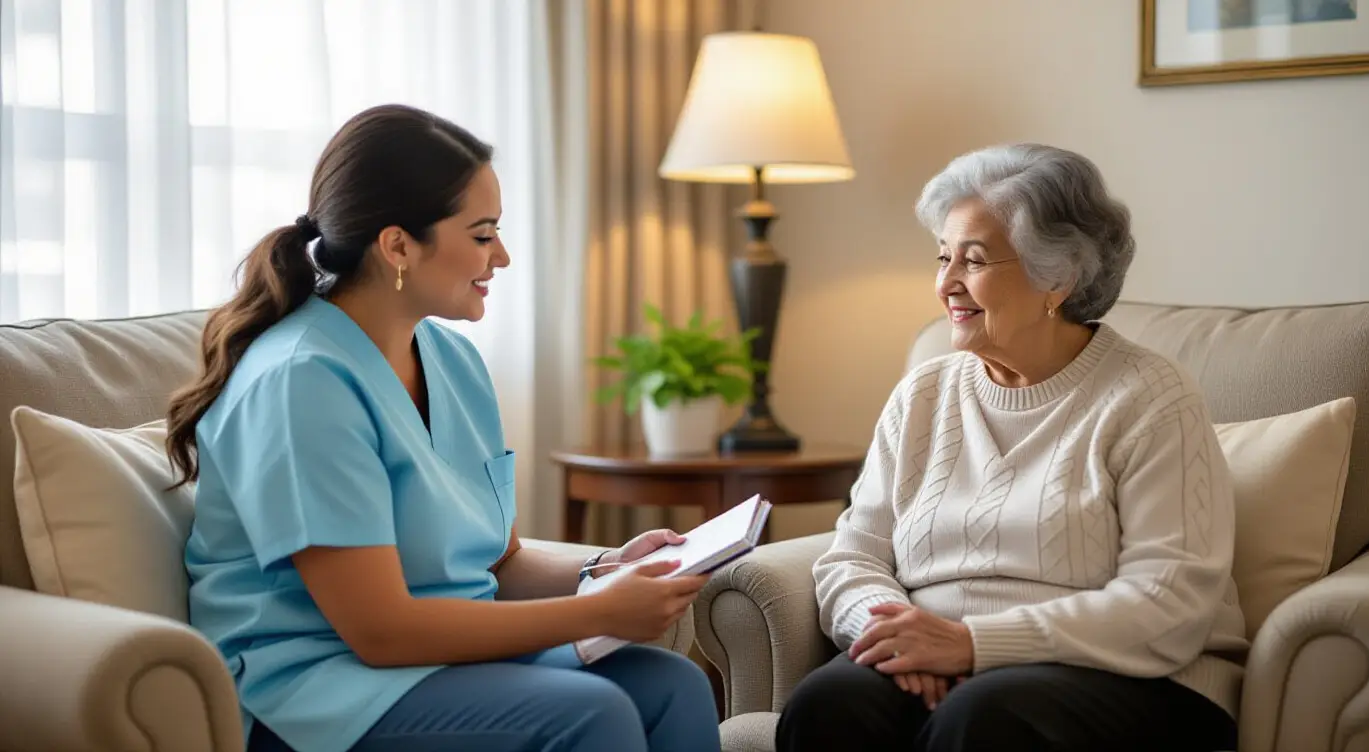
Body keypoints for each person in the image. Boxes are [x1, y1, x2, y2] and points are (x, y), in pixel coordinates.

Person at [167, 104, 720, 752]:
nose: (504, 257)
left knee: (671, 686)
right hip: (313, 690)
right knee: (591, 712)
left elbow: (500, 563)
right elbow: (381, 632)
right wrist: (597, 611)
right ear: (397, 244)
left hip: (437, 666)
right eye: (483, 234)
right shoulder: (301, 382)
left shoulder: (452, 360)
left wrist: (607, 567)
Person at [775, 143, 1250, 752]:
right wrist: (896, 635)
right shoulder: (924, 393)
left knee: (983, 718)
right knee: (829, 703)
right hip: (942, 658)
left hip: (1133, 675)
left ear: (1057, 276)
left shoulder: (1150, 397)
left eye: (972, 260)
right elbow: (852, 556)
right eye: (943, 257)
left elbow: (1169, 601)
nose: (946, 283)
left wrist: (972, 644)